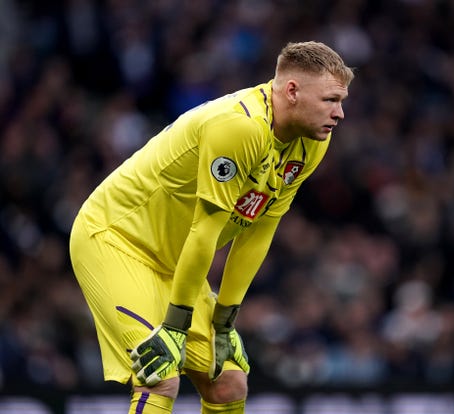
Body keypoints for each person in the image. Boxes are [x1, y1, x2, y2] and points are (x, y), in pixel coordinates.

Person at [69, 41, 354, 414]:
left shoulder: (311, 142)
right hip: (116, 240)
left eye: (342, 100)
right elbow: (204, 232)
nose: (341, 112)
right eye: (331, 100)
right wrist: (174, 325)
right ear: (292, 91)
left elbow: (260, 229)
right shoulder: (239, 128)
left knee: (229, 383)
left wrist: (225, 318)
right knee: (158, 374)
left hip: (174, 260)